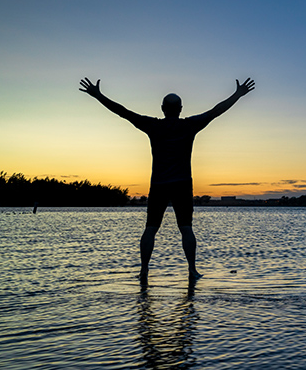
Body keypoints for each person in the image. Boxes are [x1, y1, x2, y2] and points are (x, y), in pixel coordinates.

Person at [79, 76, 255, 282]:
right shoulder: (190, 125)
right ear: (180, 109)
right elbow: (216, 111)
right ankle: (192, 270)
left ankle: (144, 270)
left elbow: (124, 113)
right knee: (186, 228)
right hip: (182, 183)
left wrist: (98, 96)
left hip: (159, 184)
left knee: (150, 228)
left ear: (162, 108)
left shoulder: (153, 126)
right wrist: (237, 95)